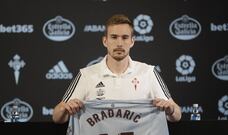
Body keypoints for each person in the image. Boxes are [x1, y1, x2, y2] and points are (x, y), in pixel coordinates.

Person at [52, 14, 181, 126]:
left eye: (125, 37)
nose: (119, 43)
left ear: (132, 41)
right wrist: (65, 108)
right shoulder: (86, 75)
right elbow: (57, 117)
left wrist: (170, 110)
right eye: (114, 37)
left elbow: (177, 114)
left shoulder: (148, 72)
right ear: (105, 41)